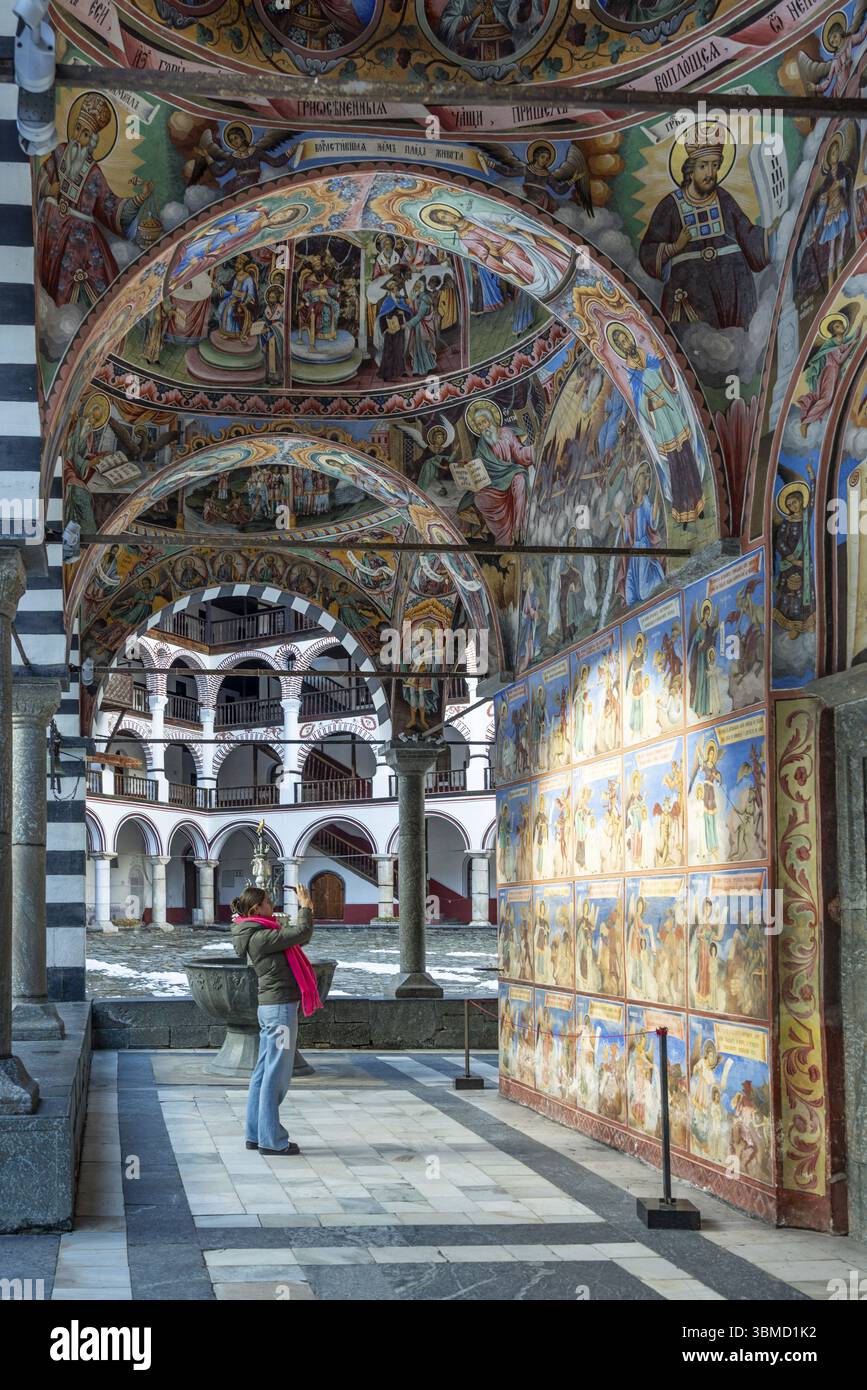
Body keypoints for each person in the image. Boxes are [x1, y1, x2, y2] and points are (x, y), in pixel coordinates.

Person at [231, 882, 318, 1156]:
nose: (273, 906)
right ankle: (272, 1139)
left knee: (263, 1072)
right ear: (257, 908)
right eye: (269, 902)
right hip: (279, 1008)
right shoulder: (260, 937)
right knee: (276, 1074)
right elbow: (302, 932)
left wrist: (302, 913)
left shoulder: (257, 931)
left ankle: (255, 1134)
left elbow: (296, 936)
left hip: (272, 1008)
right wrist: (305, 907)